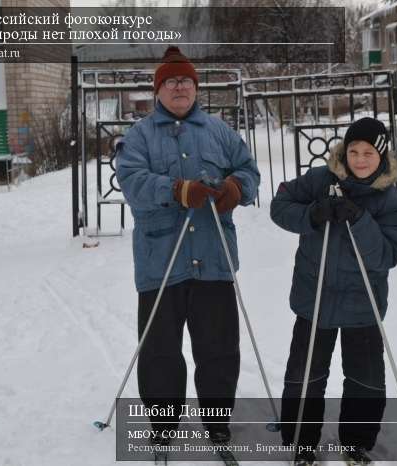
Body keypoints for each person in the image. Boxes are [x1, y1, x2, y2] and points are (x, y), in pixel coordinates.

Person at [115, 46, 261, 447]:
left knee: (218, 348)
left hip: (213, 257)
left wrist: (236, 188)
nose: (179, 87)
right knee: (160, 349)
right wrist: (176, 190)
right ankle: (163, 425)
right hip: (160, 260)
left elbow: (249, 171)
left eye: (185, 81)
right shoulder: (140, 135)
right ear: (159, 90)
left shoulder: (218, 131)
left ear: (195, 88)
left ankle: (217, 421)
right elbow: (131, 181)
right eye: (171, 82)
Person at [270, 117, 397, 465]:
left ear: (382, 156)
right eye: (353, 151)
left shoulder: (389, 199)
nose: (360, 159)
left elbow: (386, 256)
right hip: (314, 298)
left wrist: (358, 219)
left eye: (368, 153)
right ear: (344, 152)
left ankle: (356, 442)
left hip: (363, 303)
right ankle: (302, 443)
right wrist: (314, 213)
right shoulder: (321, 180)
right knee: (306, 375)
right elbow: (280, 205)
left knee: (365, 378)